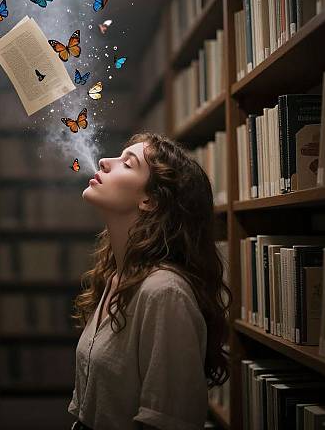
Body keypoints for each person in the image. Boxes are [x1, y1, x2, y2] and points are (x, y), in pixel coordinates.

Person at [67, 133, 231, 430]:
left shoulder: (164, 292)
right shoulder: (116, 278)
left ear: (150, 200)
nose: (104, 161)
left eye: (127, 164)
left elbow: (168, 421)